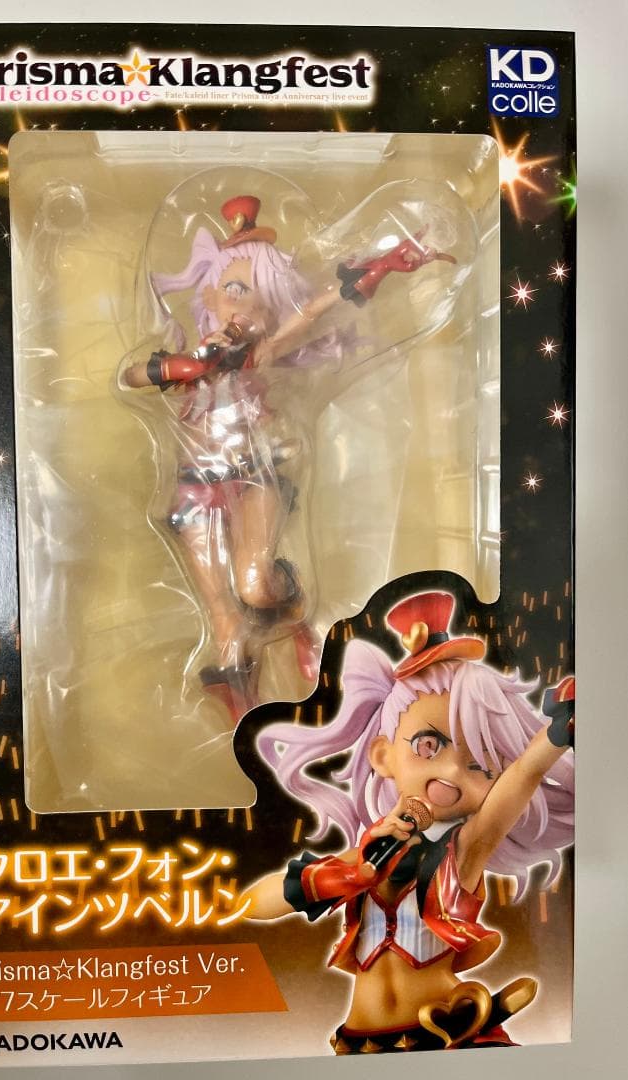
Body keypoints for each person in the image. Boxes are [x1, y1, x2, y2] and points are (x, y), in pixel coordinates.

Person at [119, 195, 452, 721]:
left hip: (252, 473)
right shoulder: (189, 355)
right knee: (225, 620)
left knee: (255, 585)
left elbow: (315, 309)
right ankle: (242, 714)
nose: (244, 309)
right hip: (195, 483)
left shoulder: (257, 354)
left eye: (259, 299)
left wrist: (383, 265)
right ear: (209, 293)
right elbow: (130, 376)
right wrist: (176, 368)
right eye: (234, 291)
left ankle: (296, 620)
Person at [244, 590, 575, 1052]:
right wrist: (349, 874)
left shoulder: (464, 851)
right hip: (360, 1041)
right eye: (428, 746)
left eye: (480, 764)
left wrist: (558, 732)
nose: (451, 773)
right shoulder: (368, 851)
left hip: (449, 1031)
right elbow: (252, 905)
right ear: (383, 755)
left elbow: (523, 775)